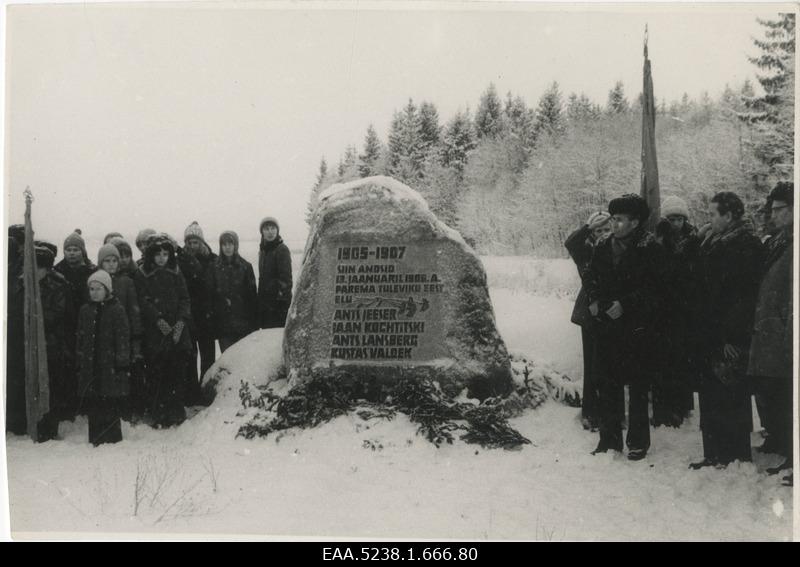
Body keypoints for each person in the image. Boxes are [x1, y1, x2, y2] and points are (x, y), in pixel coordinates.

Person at [584, 194, 664, 461]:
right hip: (607, 325)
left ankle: (638, 442)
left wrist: (627, 304)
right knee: (608, 384)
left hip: (637, 328)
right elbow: (591, 276)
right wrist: (594, 300)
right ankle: (609, 439)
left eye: (620, 220)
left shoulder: (650, 247)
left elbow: (657, 289)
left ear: (635, 221)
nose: (614, 224)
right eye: (613, 219)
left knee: (638, 387)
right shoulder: (603, 245)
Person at [690, 191, 762, 470]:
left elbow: (745, 297)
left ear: (729, 216)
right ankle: (715, 453)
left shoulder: (746, 244)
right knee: (711, 391)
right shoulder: (714, 240)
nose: (708, 219)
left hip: (728, 333)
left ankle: (734, 454)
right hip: (711, 330)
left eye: (713, 214)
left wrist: (730, 336)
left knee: (730, 389)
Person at [748, 182, 793, 483]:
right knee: (776, 393)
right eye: (772, 209)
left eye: (780, 210)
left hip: (786, 334)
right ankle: (784, 445)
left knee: (791, 396)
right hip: (771, 333)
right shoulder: (779, 240)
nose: (773, 215)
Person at [7, 243, 75, 440]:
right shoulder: (18, 284)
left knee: (48, 387)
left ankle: (47, 427)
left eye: (38, 268)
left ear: (47, 269)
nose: (33, 271)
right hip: (23, 345)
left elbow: (58, 315)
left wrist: (34, 316)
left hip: (50, 346)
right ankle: (21, 424)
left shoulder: (58, 286)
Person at [651, 196, 701, 427]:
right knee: (662, 360)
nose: (676, 223)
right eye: (672, 219)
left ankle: (682, 406)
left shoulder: (694, 239)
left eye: (680, 219)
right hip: (662, 308)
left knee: (682, 358)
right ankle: (664, 409)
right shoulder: (657, 240)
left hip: (686, 307)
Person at [134, 233, 192, 428]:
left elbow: (185, 298)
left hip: (177, 329)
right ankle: (158, 412)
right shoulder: (143, 273)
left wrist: (181, 322)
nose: (161, 258)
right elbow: (143, 300)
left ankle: (176, 410)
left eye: (165, 254)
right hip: (155, 331)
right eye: (157, 254)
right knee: (157, 372)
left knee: (177, 371)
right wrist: (157, 319)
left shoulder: (176, 271)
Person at [565, 211, 612, 430]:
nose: (602, 234)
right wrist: (587, 225)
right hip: (590, 313)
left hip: (609, 310)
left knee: (608, 364)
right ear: (591, 234)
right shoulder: (584, 250)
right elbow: (570, 242)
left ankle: (610, 413)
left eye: (606, 229)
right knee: (592, 364)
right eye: (598, 231)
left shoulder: (615, 246)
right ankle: (591, 413)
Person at [76, 270, 130, 445]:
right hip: (91, 365)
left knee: (110, 401)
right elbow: (81, 337)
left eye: (98, 289)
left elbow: (122, 338)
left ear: (107, 290)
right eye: (91, 289)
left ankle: (113, 436)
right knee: (95, 401)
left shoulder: (116, 309)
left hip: (110, 365)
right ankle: (96, 437)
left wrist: (121, 362)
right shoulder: (85, 310)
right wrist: (80, 359)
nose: (94, 292)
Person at [98, 243, 144, 417]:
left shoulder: (126, 282)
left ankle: (126, 410)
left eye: (114, 261)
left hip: (124, 337)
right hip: (104, 337)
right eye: (107, 261)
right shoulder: (95, 281)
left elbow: (134, 311)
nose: (111, 264)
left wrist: (136, 337)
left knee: (123, 373)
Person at [207, 230, 258, 352]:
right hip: (223, 326)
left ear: (236, 245)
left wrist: (254, 324)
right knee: (228, 362)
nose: (227, 247)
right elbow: (210, 295)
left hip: (243, 324)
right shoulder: (214, 267)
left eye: (230, 243)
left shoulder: (246, 267)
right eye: (224, 244)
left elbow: (252, 297)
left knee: (243, 361)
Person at [183, 221, 217, 384]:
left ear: (201, 242)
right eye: (189, 242)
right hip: (189, 314)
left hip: (207, 314)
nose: (192, 245)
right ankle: (192, 391)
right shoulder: (181, 260)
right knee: (190, 355)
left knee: (208, 355)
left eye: (195, 241)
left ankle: (206, 386)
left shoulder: (212, 259)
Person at [257, 216, 293, 329]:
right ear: (262, 232)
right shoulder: (263, 251)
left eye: (273, 228)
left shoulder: (281, 249)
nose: (270, 232)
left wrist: (281, 305)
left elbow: (286, 281)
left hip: (278, 308)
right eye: (266, 229)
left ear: (277, 230)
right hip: (266, 306)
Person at [54, 229, 96, 313]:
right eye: (68, 250)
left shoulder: (92, 272)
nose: (71, 253)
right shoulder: (57, 272)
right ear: (64, 252)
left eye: (75, 250)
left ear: (82, 252)